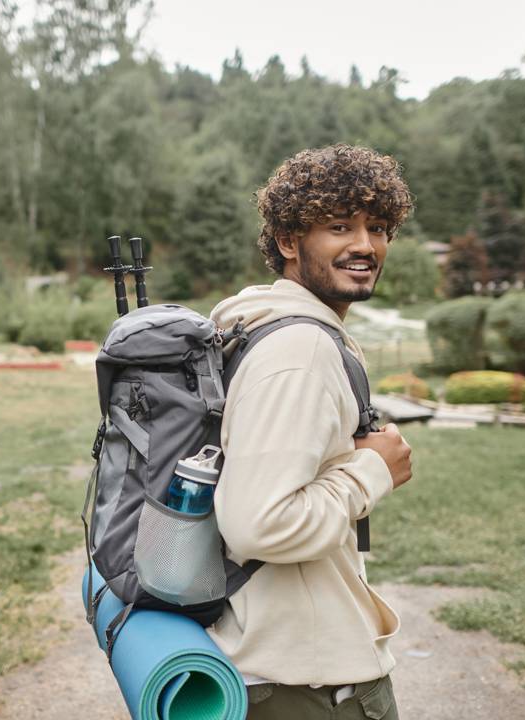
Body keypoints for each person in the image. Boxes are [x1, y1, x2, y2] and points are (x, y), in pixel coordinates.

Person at [207, 144, 415, 719]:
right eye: (339, 226)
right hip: (307, 687)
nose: (365, 246)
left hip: (280, 663)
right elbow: (260, 525)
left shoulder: (261, 329)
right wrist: (373, 471)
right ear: (289, 242)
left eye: (378, 227)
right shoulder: (299, 349)